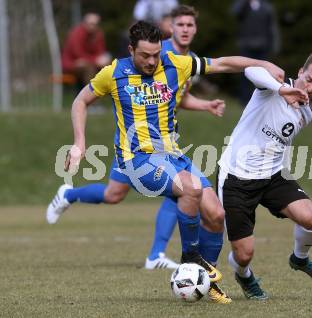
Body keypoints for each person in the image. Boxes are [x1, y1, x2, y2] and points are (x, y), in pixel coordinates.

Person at [47, 21, 284, 303]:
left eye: (155, 54)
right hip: (138, 160)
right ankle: (190, 258)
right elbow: (80, 102)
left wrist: (263, 63)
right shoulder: (113, 72)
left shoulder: (174, 63)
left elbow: (222, 64)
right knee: (191, 189)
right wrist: (79, 142)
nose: (151, 61)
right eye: (144, 55)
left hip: (173, 156)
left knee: (216, 215)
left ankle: (206, 281)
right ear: (131, 49)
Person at [48, 5, 225, 272]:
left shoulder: (185, 62)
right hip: (132, 146)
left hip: (163, 144)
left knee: (174, 190)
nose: (185, 30)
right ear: (170, 28)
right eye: (180, 25)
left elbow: (178, 99)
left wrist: (204, 105)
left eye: (191, 25)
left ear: (196, 28)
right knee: (117, 194)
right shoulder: (158, 53)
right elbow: (85, 98)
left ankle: (157, 254)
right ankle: (70, 194)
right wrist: (79, 142)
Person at [217, 53, 312, 300]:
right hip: (236, 177)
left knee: (311, 220)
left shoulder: (306, 114)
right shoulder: (272, 86)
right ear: (300, 71)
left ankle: (300, 259)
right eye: (309, 79)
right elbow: (252, 70)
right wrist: (282, 89)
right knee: (243, 255)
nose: (311, 88)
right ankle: (244, 275)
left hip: (272, 176)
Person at [230, 0, 280, 107]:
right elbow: (235, 12)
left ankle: (261, 99)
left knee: (263, 75)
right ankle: (245, 100)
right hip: (246, 45)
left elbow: (272, 27)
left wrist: (274, 46)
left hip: (262, 46)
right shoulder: (242, 5)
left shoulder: (267, 7)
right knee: (245, 74)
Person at [61, 13, 111, 88]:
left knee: (108, 66)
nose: (93, 26)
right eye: (91, 24)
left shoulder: (98, 34)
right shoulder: (76, 33)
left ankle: (108, 94)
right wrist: (96, 60)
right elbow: (78, 53)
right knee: (89, 68)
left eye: (95, 24)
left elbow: (100, 51)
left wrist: (102, 60)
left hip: (89, 63)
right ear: (84, 23)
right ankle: (90, 96)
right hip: (71, 63)